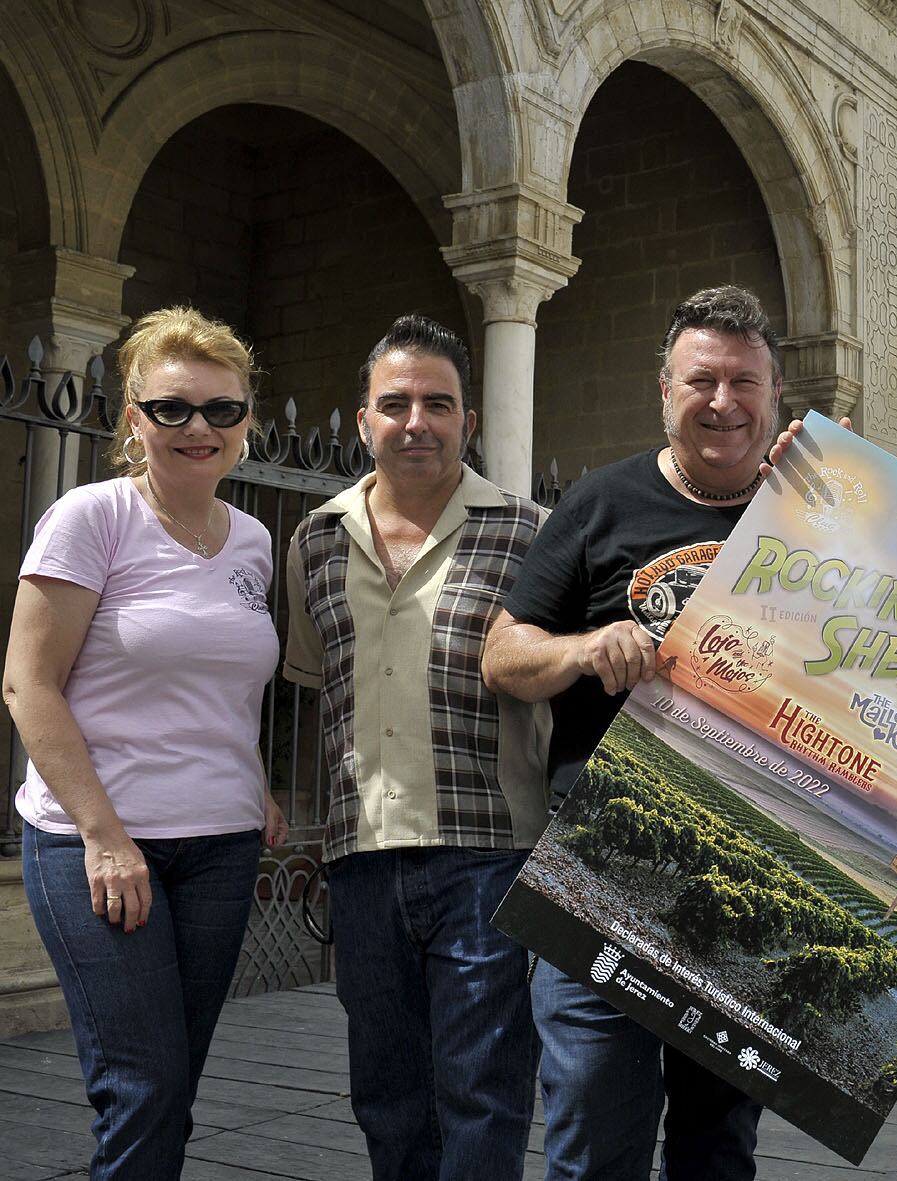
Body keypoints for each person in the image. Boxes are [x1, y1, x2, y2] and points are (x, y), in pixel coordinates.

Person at [481, 286, 778, 1180]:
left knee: (717, 1147)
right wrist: (581, 647)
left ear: (774, 395)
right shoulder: (601, 502)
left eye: (744, 382)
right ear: (664, 389)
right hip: (604, 866)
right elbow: (503, 655)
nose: (723, 402)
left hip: (752, 878)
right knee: (594, 1137)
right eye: (702, 380)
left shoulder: (827, 521)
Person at [2, 306, 287, 1178]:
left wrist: (259, 782)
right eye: (171, 409)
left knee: (173, 1083)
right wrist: (102, 835)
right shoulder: (91, 518)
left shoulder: (252, 541)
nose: (197, 428)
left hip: (221, 844)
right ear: (134, 418)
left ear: (246, 422)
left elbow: (220, 682)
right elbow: (28, 684)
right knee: (142, 1084)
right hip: (99, 844)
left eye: (220, 409)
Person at [281, 314, 548, 1181]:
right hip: (361, 863)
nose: (415, 421)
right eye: (393, 403)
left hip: (487, 862)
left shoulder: (528, 533)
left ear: (469, 421)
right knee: (387, 1097)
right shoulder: (315, 541)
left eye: (439, 403)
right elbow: (323, 678)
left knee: (483, 1094)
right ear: (363, 420)